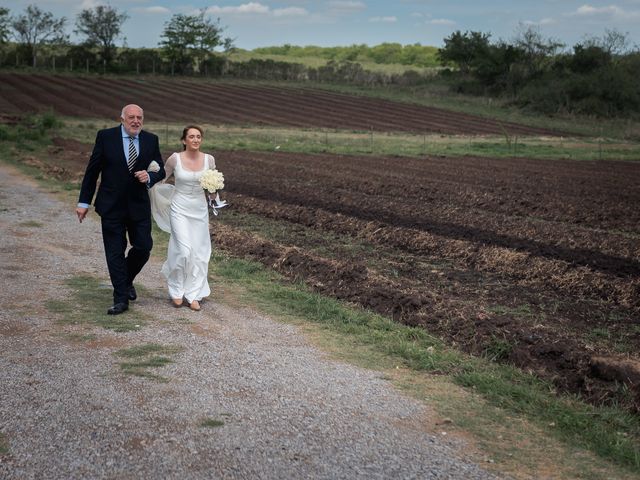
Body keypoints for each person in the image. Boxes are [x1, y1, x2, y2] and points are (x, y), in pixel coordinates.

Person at [76, 104, 166, 315]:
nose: (136, 121)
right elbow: (92, 171)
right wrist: (83, 203)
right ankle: (120, 298)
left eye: (139, 118)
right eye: (131, 117)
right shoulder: (106, 137)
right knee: (115, 251)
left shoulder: (150, 140)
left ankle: (125, 280)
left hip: (138, 206)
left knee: (143, 247)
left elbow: (160, 168)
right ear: (122, 119)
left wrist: (150, 177)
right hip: (111, 206)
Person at [149, 125, 217, 311]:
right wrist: (150, 185)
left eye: (198, 137)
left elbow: (212, 186)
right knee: (184, 250)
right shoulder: (175, 158)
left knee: (200, 253)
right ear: (184, 140)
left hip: (200, 210)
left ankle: (194, 294)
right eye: (191, 136)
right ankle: (177, 290)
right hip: (179, 209)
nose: (195, 140)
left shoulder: (209, 160)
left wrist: (215, 198)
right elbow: (162, 178)